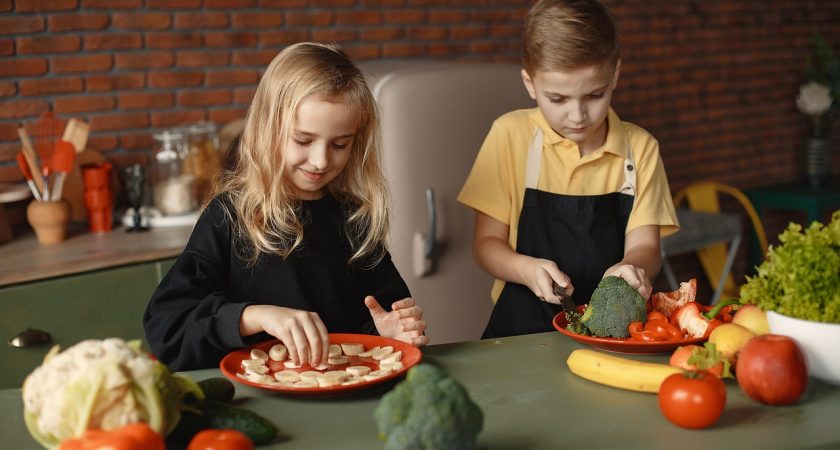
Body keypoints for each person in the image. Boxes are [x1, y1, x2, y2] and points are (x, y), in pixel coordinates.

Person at [144, 42, 429, 371]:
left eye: (340, 144)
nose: (321, 160)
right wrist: (252, 316)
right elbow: (167, 328)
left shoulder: (355, 220)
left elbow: (382, 328)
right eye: (303, 141)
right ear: (269, 128)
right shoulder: (229, 216)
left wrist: (391, 334)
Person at [457, 0, 679, 338]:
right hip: (521, 328)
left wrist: (631, 268)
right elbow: (486, 244)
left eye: (594, 95)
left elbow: (647, 248)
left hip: (614, 331)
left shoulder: (641, 148)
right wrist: (526, 269)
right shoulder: (509, 136)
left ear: (615, 75)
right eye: (558, 99)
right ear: (530, 83)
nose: (577, 116)